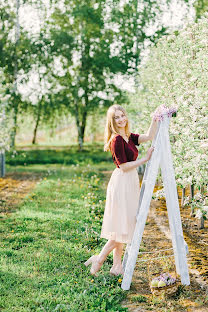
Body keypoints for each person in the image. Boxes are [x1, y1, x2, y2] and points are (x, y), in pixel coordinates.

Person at [84, 104, 158, 276]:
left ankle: (116, 266)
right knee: (121, 227)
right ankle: (100, 258)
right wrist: (145, 159)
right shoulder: (116, 139)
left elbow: (149, 136)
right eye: (116, 117)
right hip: (122, 182)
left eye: (122, 115)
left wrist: (156, 117)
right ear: (112, 121)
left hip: (130, 183)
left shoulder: (129, 136)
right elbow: (124, 166)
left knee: (122, 226)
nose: (121, 119)